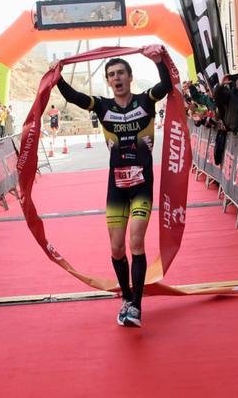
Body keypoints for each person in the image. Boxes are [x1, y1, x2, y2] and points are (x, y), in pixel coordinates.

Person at [54, 45, 171, 328]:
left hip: (142, 182)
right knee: (118, 249)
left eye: (121, 73)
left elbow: (166, 84)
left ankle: (137, 308)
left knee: (136, 242)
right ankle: (127, 297)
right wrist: (57, 76)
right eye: (111, 75)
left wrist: (159, 61)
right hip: (116, 186)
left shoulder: (146, 100)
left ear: (130, 78)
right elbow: (73, 96)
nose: (116, 78)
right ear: (108, 81)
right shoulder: (102, 105)